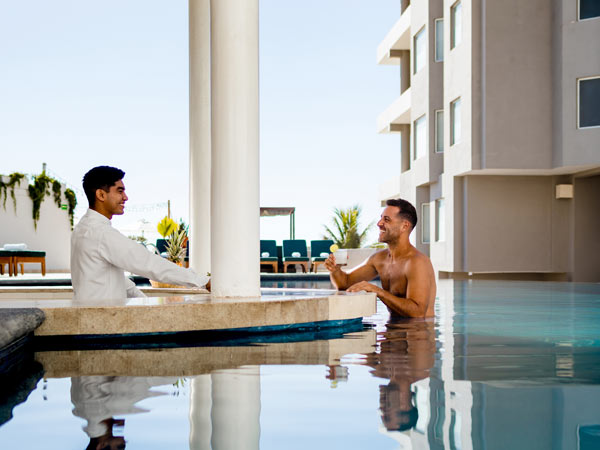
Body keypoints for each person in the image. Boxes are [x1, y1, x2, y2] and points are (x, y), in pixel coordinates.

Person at [71, 166, 209, 302]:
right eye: (120, 191)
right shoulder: (100, 233)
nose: (125, 197)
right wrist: (202, 281)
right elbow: (148, 262)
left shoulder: (81, 230)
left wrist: (143, 300)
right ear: (101, 195)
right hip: (103, 320)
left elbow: (112, 276)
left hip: (93, 317)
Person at [325, 198, 436, 318]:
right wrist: (335, 270)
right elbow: (345, 283)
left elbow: (418, 312)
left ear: (404, 226)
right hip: (392, 329)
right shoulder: (379, 259)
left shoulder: (417, 262)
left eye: (386, 219)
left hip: (417, 332)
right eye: (381, 218)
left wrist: (378, 291)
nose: (379, 223)